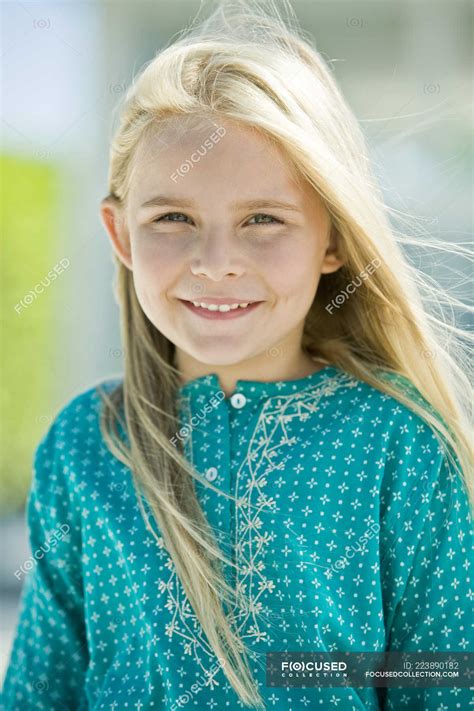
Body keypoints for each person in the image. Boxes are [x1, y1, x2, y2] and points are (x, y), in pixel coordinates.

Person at [2, 1, 472, 709]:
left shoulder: (397, 442)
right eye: (173, 218)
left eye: (262, 219)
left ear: (333, 239)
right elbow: (42, 689)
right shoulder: (85, 444)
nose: (215, 262)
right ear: (121, 235)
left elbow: (444, 677)